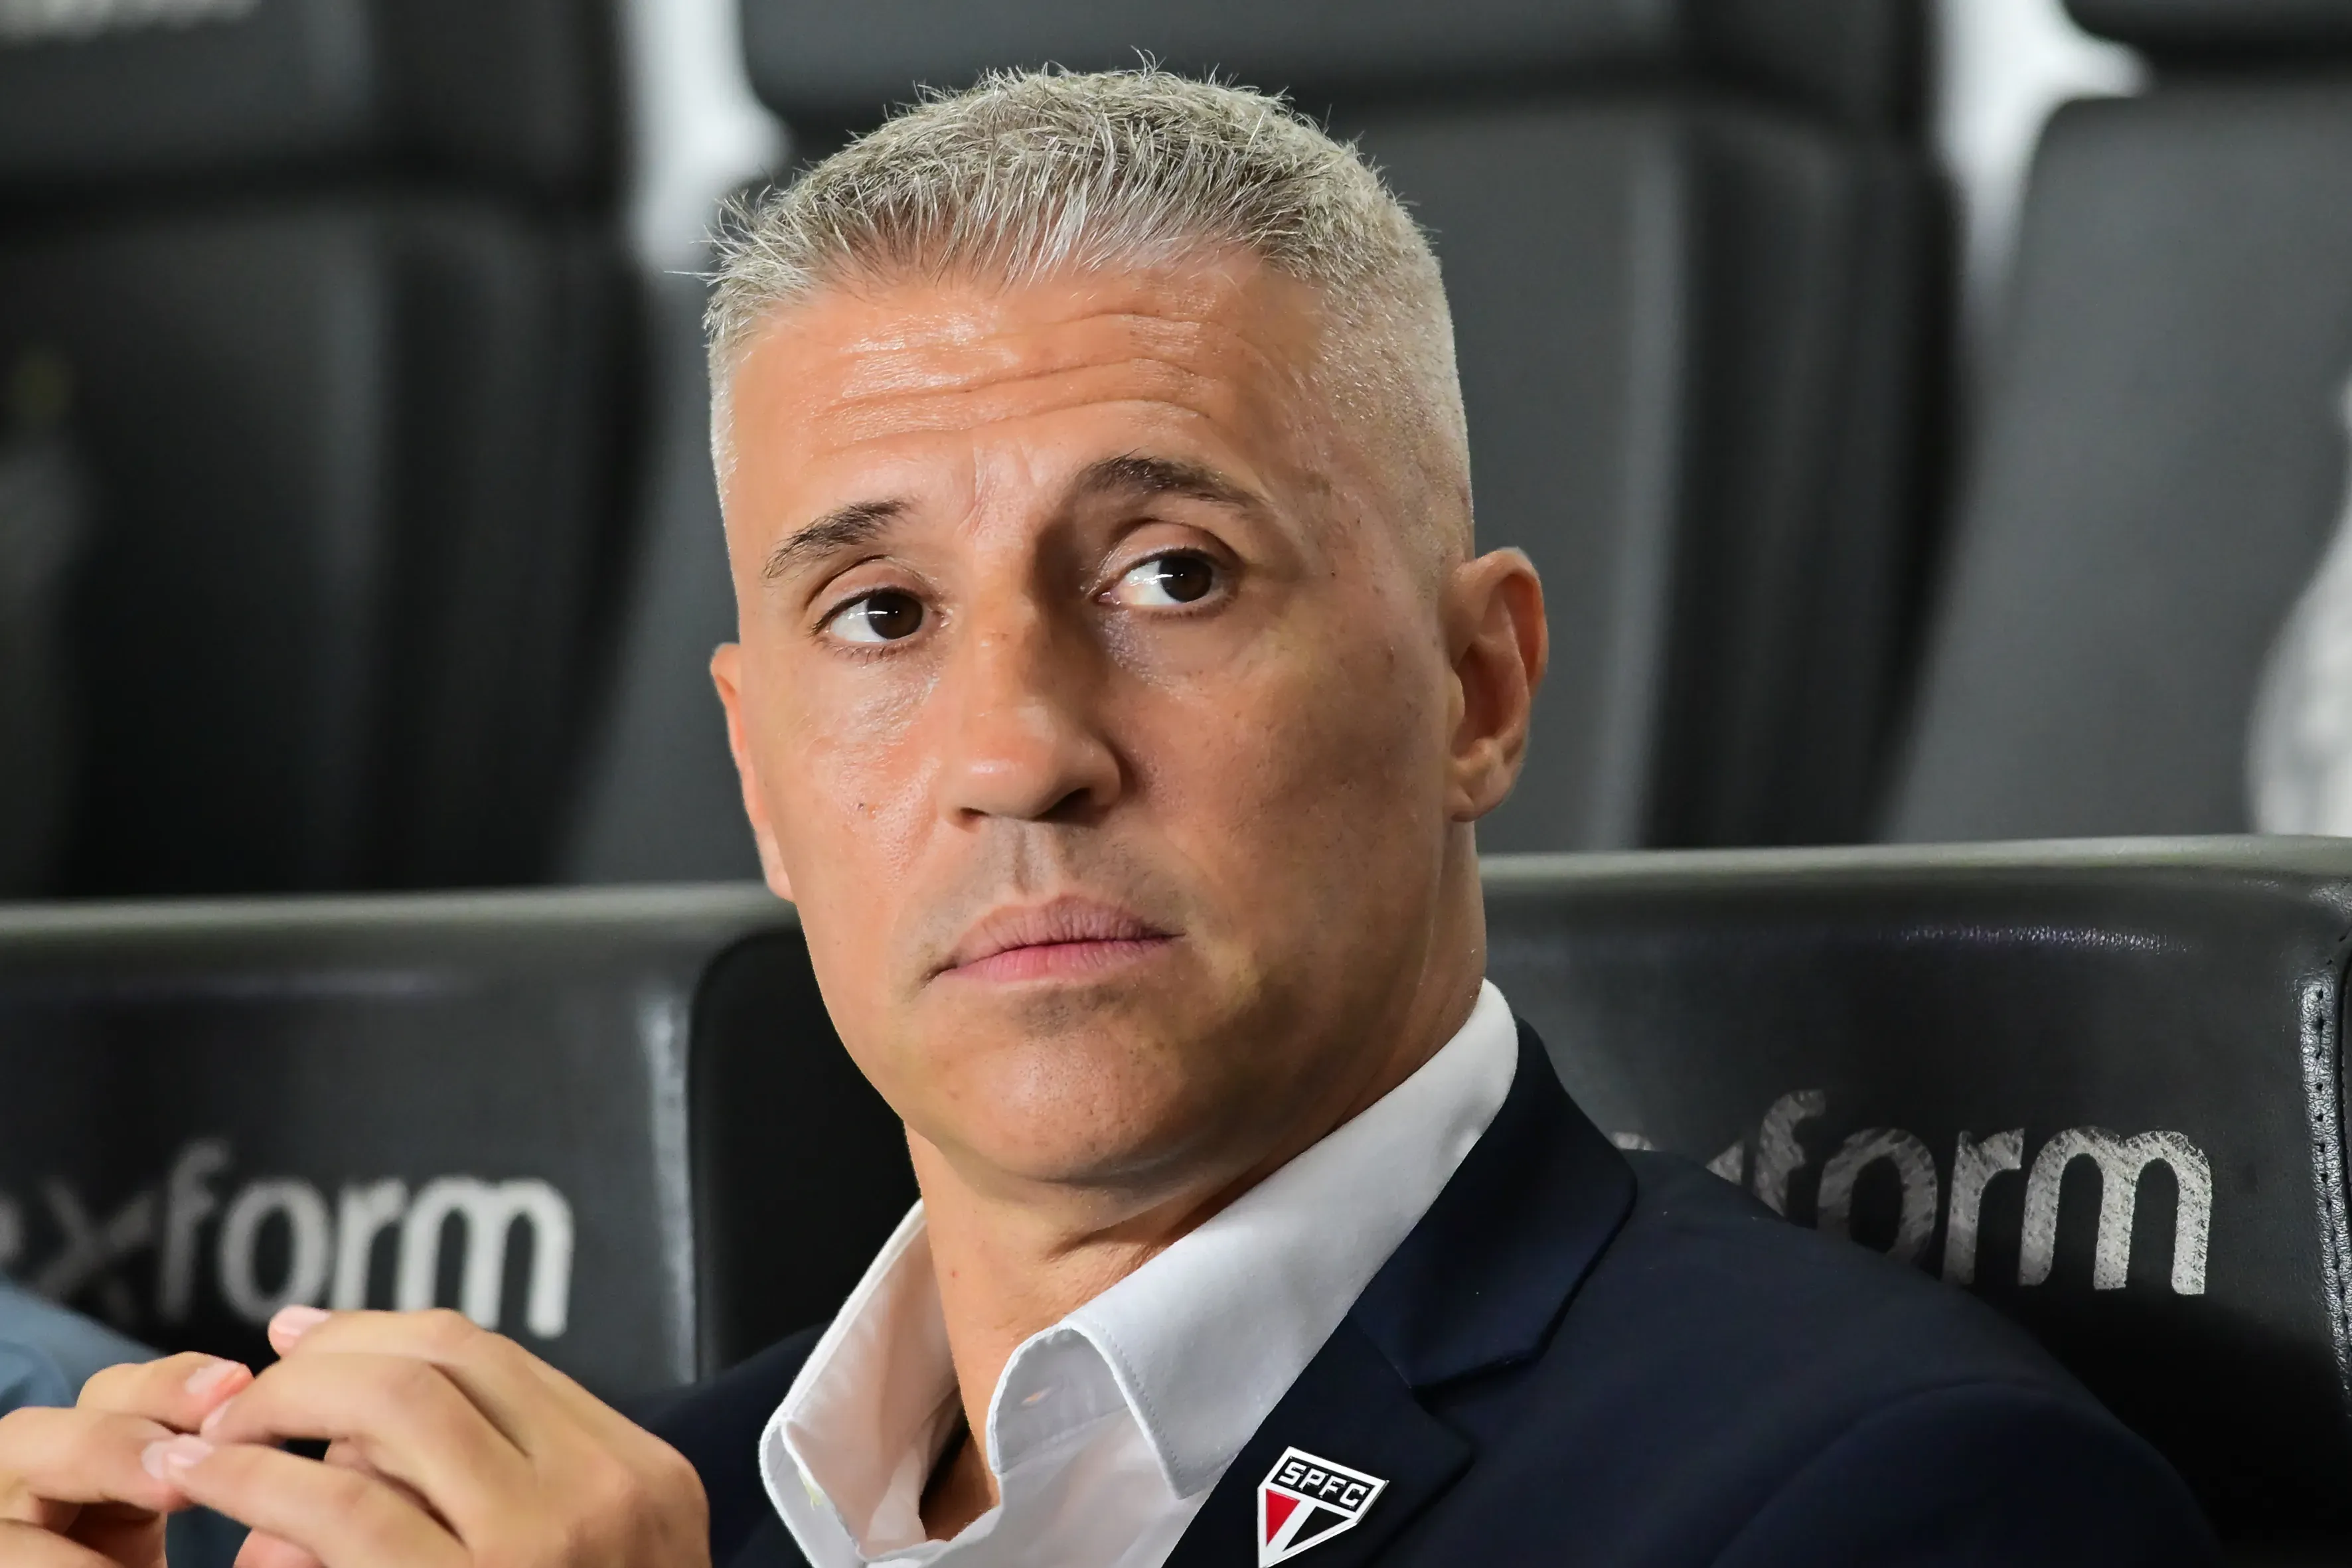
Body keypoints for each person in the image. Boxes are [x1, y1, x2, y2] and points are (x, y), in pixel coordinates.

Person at [0, 68, 2217, 1568]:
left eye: (1171, 574)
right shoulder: (653, 1496)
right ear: (763, 776)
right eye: (876, 613)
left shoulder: (1891, 1499)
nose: (1016, 746)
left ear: (1476, 686)